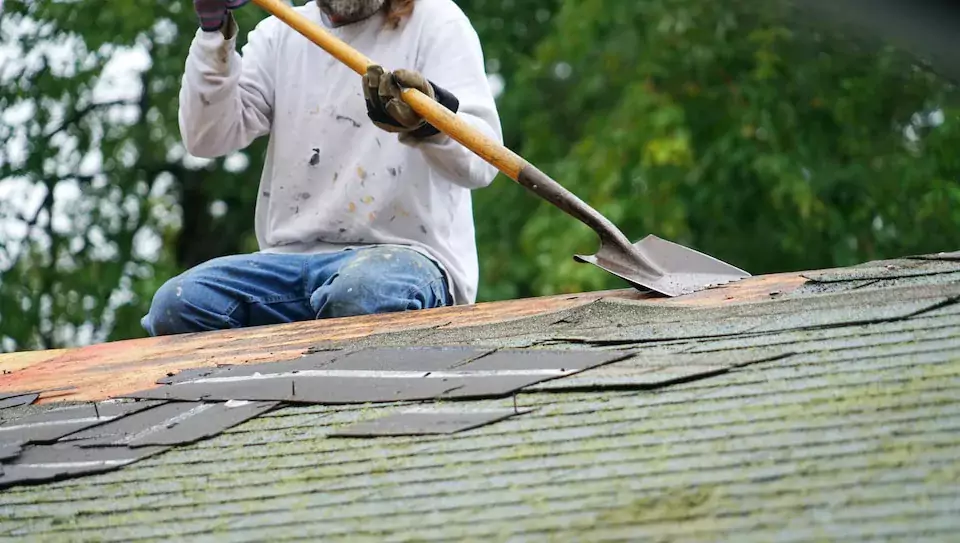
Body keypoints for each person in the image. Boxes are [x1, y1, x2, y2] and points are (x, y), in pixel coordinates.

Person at [141, 0, 502, 335]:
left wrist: (428, 121)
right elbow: (206, 137)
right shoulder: (281, 34)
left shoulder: (436, 21)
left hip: (405, 260)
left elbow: (482, 165)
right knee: (179, 305)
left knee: (360, 294)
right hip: (285, 266)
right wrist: (212, 33)